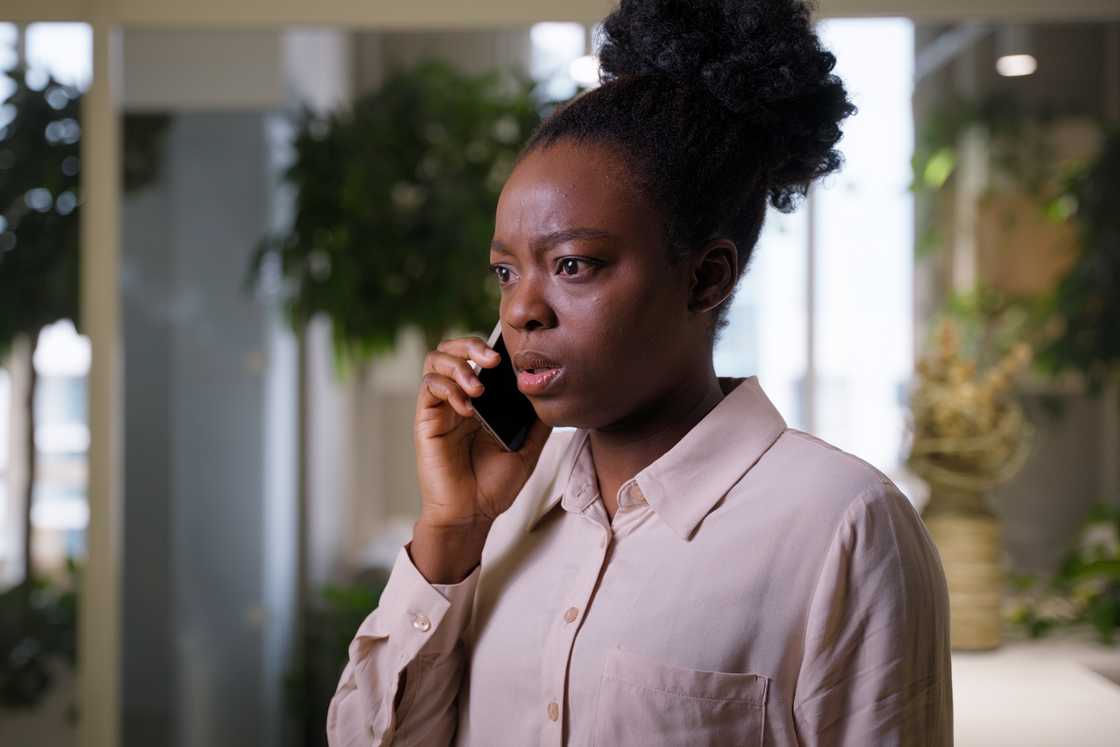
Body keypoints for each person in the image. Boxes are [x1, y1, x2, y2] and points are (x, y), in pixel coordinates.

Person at [327, 0, 953, 744]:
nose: (523, 307)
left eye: (573, 264)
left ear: (705, 278)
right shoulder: (504, 510)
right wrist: (452, 531)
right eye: (505, 269)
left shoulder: (843, 526)